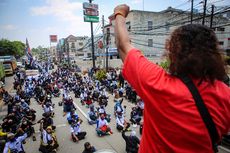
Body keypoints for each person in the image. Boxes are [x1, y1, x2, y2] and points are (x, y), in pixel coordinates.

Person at [114, 4, 230, 153]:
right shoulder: (226, 96)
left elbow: (123, 45)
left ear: (174, 52)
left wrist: (119, 13)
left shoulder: (157, 83)